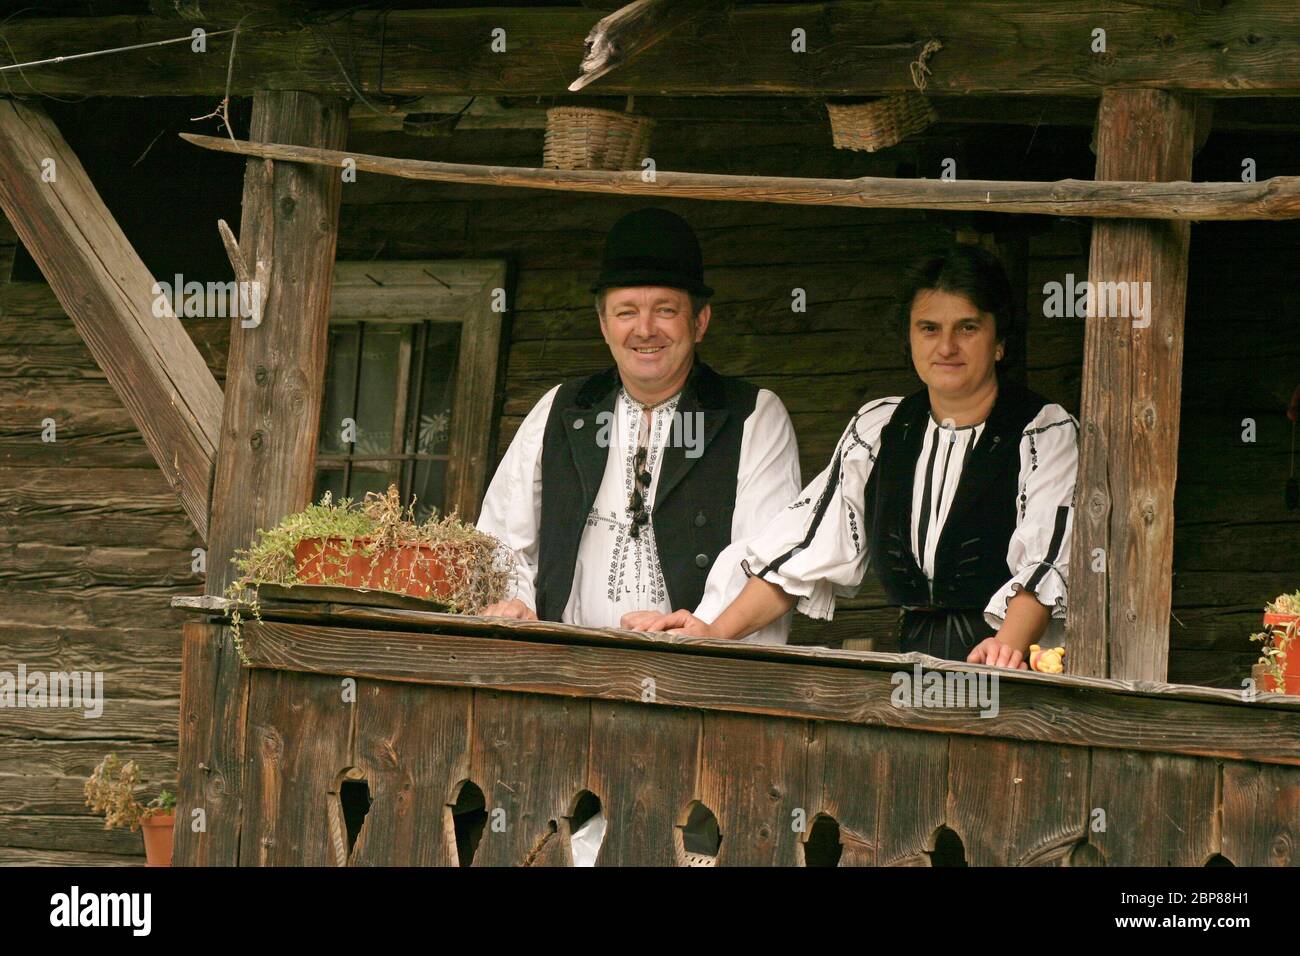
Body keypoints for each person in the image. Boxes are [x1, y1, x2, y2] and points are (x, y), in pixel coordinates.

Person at [476, 207, 801, 865]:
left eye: (665, 310)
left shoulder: (750, 417)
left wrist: (703, 628)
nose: (644, 329)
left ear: (700, 321)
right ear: (603, 321)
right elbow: (503, 537)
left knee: (680, 851)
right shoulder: (563, 410)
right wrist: (512, 600)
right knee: (561, 848)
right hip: (571, 692)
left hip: (695, 697)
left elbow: (767, 555)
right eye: (626, 311)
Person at [638, 244, 1079, 670]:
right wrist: (714, 633)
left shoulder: (1043, 431)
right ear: (909, 339)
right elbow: (805, 546)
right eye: (929, 328)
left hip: (1015, 666)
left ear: (999, 341)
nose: (946, 347)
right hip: (911, 661)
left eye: (967, 328)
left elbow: (1049, 558)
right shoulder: (882, 427)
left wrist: (1005, 648)